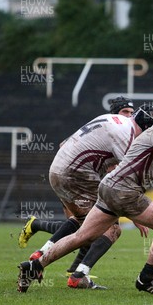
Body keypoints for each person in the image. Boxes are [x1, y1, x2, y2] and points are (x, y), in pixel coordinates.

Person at [17, 102, 153, 295]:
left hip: (109, 188)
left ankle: (35, 266)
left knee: (83, 237)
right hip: (126, 192)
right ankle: (146, 279)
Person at [18, 106, 153, 291]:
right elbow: (124, 181)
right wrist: (135, 214)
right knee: (110, 229)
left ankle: (42, 255)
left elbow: (64, 144)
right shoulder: (127, 137)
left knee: (80, 222)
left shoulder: (110, 119)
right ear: (147, 127)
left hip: (58, 170)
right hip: (76, 176)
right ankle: (75, 274)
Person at [18, 96, 138, 245]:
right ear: (114, 113)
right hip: (76, 181)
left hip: (87, 183)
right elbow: (64, 145)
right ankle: (60, 262)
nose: (128, 116)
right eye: (125, 111)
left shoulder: (124, 134)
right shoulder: (107, 128)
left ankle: (36, 227)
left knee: (88, 229)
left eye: (131, 113)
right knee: (96, 228)